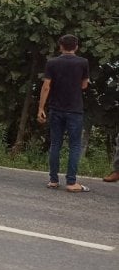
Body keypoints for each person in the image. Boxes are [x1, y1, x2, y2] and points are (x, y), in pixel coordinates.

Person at [37, 34, 90, 192]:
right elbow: (84, 85)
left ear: (60, 46)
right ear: (76, 47)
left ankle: (53, 180)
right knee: (74, 146)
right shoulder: (83, 62)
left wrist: (41, 108)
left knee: (55, 144)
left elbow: (46, 86)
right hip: (74, 109)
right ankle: (71, 182)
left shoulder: (52, 62)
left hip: (55, 108)